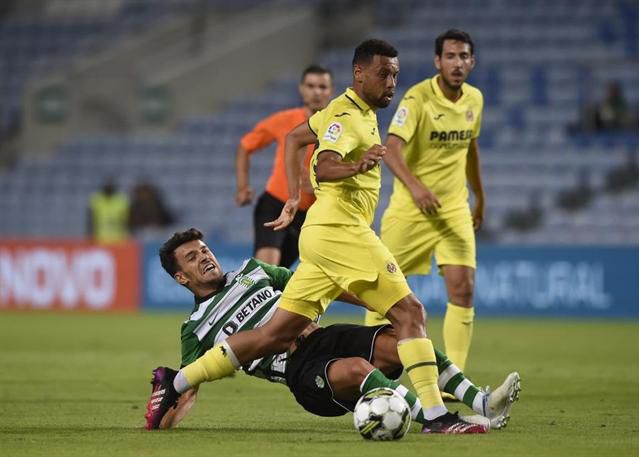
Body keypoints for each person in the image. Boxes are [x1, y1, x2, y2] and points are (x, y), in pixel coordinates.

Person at [145, 39, 490, 434]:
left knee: (274, 333)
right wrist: (354, 165)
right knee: (410, 313)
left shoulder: (339, 113)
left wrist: (294, 197)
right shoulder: (347, 116)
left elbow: (295, 140)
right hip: (339, 232)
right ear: (359, 74)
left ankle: (173, 382)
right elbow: (323, 167)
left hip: (319, 253)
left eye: (395, 73)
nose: (392, 81)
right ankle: (434, 416)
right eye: (384, 74)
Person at [145, 228, 521, 432]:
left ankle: (481, 401)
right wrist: (165, 419)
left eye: (205, 249)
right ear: (180, 277)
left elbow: (314, 286)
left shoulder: (252, 271)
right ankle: (435, 420)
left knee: (401, 339)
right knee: (358, 368)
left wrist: (377, 302)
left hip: (323, 335)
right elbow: (190, 386)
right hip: (299, 371)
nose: (205, 257)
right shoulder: (195, 329)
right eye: (192, 258)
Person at [364, 30, 486, 378]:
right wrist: (416, 188)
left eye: (463, 56)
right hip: (410, 210)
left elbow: (471, 150)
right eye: (450, 56)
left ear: (472, 62)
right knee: (382, 291)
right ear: (437, 61)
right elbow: (392, 148)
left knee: (464, 289)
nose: (457, 63)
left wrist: (480, 196)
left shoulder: (474, 100)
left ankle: (455, 379)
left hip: (454, 208)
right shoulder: (418, 99)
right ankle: (373, 367)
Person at [235, 65, 334, 267]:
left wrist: (318, 186)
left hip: (311, 215)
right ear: (301, 89)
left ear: (330, 91)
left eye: (322, 87)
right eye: (311, 86)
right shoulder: (285, 120)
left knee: (279, 276)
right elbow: (245, 146)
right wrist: (243, 186)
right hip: (276, 203)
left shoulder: (338, 128)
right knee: (266, 270)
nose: (316, 92)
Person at [87, 177, 130, 244]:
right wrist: (90, 235)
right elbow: (90, 220)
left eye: (110, 186)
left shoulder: (122, 200)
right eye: (107, 186)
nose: (109, 188)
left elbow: (127, 221)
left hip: (119, 239)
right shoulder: (96, 199)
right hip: (100, 238)